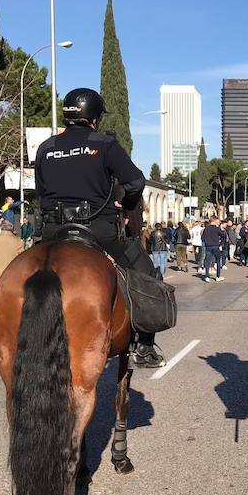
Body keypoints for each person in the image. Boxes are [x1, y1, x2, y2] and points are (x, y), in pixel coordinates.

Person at [34, 87, 164, 368]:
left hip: (52, 232)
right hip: (98, 230)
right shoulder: (103, 144)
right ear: (94, 117)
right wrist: (126, 203)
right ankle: (144, 346)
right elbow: (136, 182)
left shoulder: (46, 147)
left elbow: (41, 192)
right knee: (147, 274)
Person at [201, 216, 224, 282]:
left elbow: (202, 238)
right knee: (218, 260)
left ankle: (207, 276)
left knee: (207, 261)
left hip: (208, 246)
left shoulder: (206, 228)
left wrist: (206, 242)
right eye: (217, 220)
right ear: (214, 221)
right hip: (215, 246)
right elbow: (223, 235)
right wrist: (220, 242)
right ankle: (218, 276)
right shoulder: (217, 228)